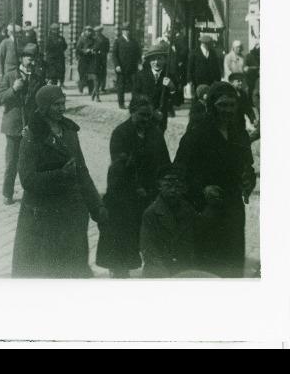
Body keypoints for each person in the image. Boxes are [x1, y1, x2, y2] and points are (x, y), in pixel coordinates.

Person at [11, 86, 107, 278]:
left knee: (72, 268)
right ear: (44, 107)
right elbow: (27, 180)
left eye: (63, 103)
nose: (62, 108)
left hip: (71, 214)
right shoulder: (32, 136)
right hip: (43, 218)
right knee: (46, 271)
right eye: (56, 105)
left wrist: (97, 208)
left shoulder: (70, 131)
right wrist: (60, 174)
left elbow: (82, 171)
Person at [173, 82, 257, 278]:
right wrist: (202, 189)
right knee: (209, 269)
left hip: (233, 210)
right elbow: (178, 173)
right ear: (212, 105)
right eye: (222, 105)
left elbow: (248, 167)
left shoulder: (240, 133)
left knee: (233, 266)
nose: (228, 110)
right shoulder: (196, 134)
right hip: (205, 212)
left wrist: (248, 181)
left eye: (232, 105)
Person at [95, 96, 170, 278]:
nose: (146, 120)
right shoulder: (121, 133)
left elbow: (164, 162)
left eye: (149, 115)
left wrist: (163, 183)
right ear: (132, 112)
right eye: (142, 115)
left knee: (152, 239)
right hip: (124, 194)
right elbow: (120, 167)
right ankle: (120, 273)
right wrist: (136, 187)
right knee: (124, 240)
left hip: (150, 193)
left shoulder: (155, 133)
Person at [0, 44, 44, 205]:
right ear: (22, 58)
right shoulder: (11, 76)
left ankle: (32, 192)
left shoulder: (38, 77)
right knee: (12, 163)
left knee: (32, 161)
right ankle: (7, 193)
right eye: (29, 57)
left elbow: (40, 102)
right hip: (13, 125)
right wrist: (14, 89)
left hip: (31, 125)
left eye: (34, 58)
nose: (32, 61)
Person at [139, 167, 203, 278]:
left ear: (183, 188)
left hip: (184, 270)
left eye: (177, 187)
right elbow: (149, 251)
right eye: (168, 186)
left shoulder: (189, 211)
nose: (173, 190)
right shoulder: (151, 214)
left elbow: (197, 242)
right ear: (159, 186)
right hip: (159, 272)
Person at [132, 42, 178, 132]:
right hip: (144, 118)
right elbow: (135, 96)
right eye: (153, 59)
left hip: (161, 120)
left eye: (159, 59)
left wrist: (172, 87)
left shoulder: (170, 77)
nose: (156, 62)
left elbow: (177, 101)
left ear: (165, 60)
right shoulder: (141, 76)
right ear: (149, 61)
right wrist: (151, 111)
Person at [111, 23, 142, 110]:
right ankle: (121, 104)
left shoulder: (134, 41)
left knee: (135, 86)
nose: (128, 32)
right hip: (122, 68)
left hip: (132, 68)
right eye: (126, 30)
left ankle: (134, 104)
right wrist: (117, 65)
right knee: (121, 86)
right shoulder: (118, 41)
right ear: (122, 31)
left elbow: (138, 53)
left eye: (129, 30)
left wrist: (139, 63)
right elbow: (114, 55)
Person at [43, 23, 67, 87]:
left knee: (60, 72)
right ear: (51, 30)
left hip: (60, 58)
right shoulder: (48, 38)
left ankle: (60, 83)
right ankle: (53, 86)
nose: (56, 31)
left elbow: (65, 46)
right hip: (51, 59)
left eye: (57, 30)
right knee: (52, 74)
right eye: (54, 30)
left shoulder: (61, 38)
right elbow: (47, 47)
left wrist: (60, 48)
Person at [75, 26, 95, 95]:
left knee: (90, 75)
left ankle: (91, 90)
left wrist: (92, 50)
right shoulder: (81, 39)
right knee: (82, 75)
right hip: (83, 59)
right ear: (85, 31)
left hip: (91, 59)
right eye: (87, 31)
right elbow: (78, 49)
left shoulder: (93, 39)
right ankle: (81, 89)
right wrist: (84, 51)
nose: (89, 32)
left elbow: (95, 46)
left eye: (90, 31)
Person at [92, 25, 110, 97]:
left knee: (100, 76)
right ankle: (97, 95)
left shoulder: (104, 39)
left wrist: (99, 52)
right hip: (96, 60)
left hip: (100, 60)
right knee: (97, 77)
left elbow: (107, 50)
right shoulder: (94, 39)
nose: (97, 33)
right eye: (96, 31)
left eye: (98, 31)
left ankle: (95, 93)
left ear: (100, 32)